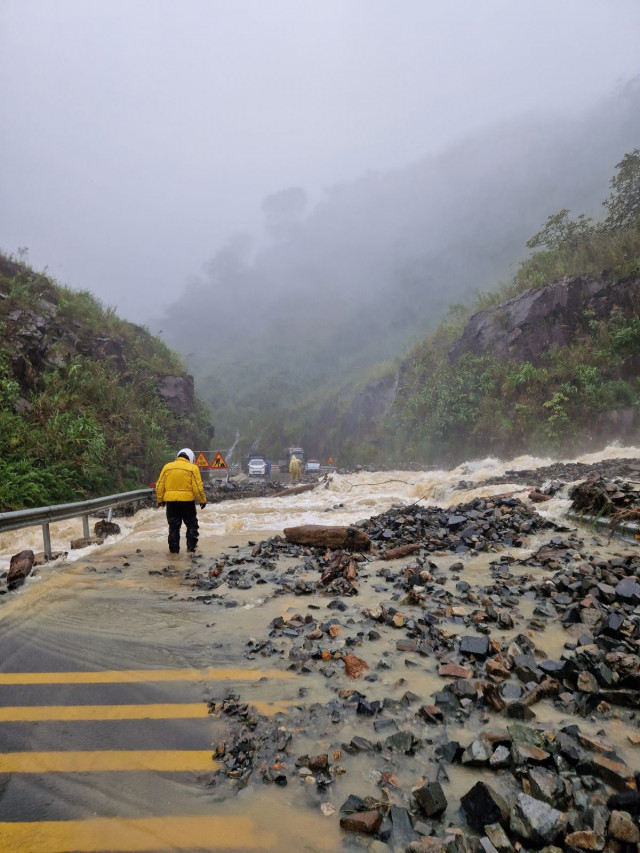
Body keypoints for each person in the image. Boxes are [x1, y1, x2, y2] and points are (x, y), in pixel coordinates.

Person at [156, 448, 206, 554]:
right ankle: (190, 551)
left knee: (174, 527)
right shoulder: (193, 468)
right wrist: (202, 500)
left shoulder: (167, 467)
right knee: (192, 525)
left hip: (171, 503)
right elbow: (197, 487)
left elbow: (159, 485)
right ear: (191, 457)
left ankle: (174, 554)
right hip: (187, 502)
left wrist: (160, 499)